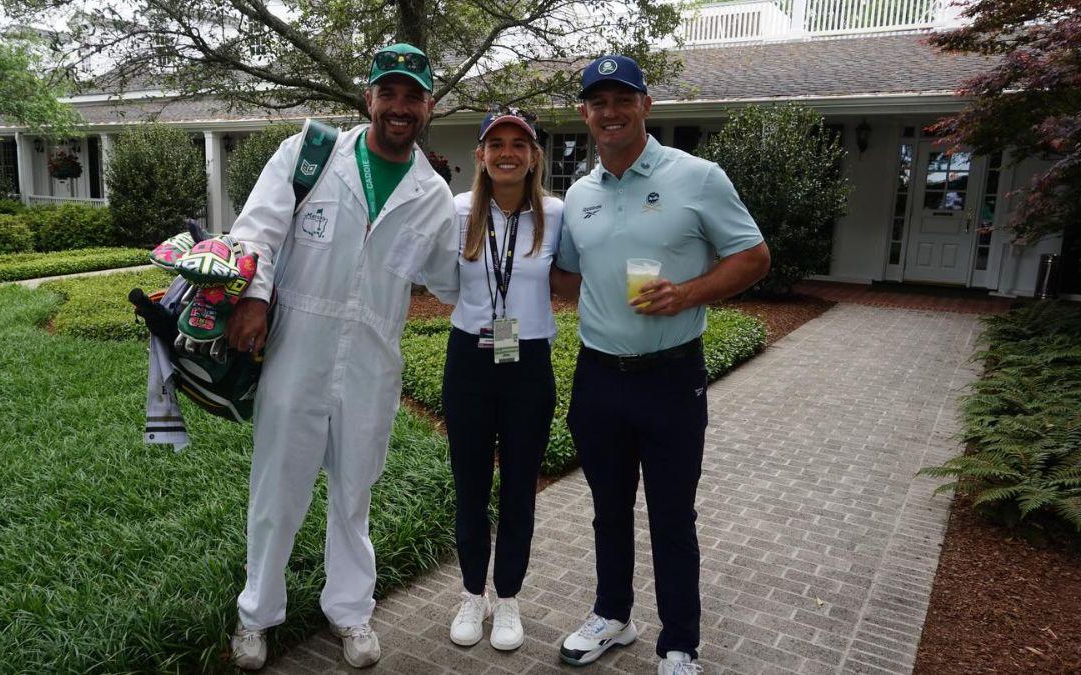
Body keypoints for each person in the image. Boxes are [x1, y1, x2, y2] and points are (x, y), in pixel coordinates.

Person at [222, 43, 459, 671]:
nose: (400, 107)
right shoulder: (312, 153)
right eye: (389, 93)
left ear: (429, 106)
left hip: (372, 364)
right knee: (277, 490)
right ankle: (257, 616)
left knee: (355, 493)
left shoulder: (433, 195)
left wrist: (506, 254)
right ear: (369, 98)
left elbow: (451, 280)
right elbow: (256, 229)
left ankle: (350, 610)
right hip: (296, 349)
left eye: (413, 96)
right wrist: (253, 296)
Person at [551, 55, 771, 675]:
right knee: (609, 509)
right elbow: (567, 277)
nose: (611, 113)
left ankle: (679, 644)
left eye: (623, 100)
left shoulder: (697, 177)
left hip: (672, 376)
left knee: (672, 515)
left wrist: (687, 293)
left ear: (646, 105)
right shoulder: (580, 195)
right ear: (585, 113)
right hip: (598, 377)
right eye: (599, 102)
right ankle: (612, 615)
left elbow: (754, 257)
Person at [442, 109, 563, 651]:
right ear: (481, 155)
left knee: (519, 488)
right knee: (470, 485)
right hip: (469, 358)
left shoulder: (555, 214)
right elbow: (440, 280)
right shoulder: (457, 211)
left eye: (518, 144)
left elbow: (572, 275)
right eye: (496, 144)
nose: (507, 153)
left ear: (534, 156)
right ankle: (473, 593)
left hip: (528, 361)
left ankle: (509, 596)